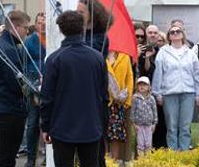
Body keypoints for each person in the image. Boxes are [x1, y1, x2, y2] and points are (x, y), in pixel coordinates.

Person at [41, 10, 108, 167]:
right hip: (91, 126)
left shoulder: (54, 59)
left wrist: (45, 126)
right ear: (83, 28)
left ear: (61, 30)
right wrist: (103, 126)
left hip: (61, 126)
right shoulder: (97, 58)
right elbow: (104, 95)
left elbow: (47, 97)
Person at [0, 10, 32, 167]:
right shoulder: (9, 49)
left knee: (5, 154)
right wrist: (31, 89)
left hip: (2, 105)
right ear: (15, 27)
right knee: (7, 156)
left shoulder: (2, 45)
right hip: (10, 107)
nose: (27, 32)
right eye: (26, 28)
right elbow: (16, 83)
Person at [151, 24, 199, 150]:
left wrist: (198, 94)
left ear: (182, 34)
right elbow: (158, 73)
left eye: (178, 31)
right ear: (169, 36)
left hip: (188, 93)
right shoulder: (163, 52)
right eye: (172, 32)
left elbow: (197, 74)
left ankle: (184, 154)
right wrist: (157, 93)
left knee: (185, 126)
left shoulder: (190, 52)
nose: (175, 33)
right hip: (169, 93)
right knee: (172, 126)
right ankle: (173, 155)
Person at [22, 13, 45, 167]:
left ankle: (49, 157)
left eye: (44, 22)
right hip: (33, 85)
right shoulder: (29, 41)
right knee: (32, 123)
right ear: (35, 24)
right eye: (39, 22)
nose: (42, 25)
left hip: (51, 84)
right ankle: (31, 158)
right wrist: (31, 84)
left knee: (50, 122)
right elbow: (23, 65)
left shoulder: (55, 39)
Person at [106, 49, 133, 162]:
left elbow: (129, 77)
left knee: (116, 135)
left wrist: (127, 100)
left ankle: (113, 162)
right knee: (101, 134)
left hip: (118, 103)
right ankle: (104, 161)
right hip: (102, 100)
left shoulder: (124, 56)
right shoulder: (100, 54)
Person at [131, 76, 157, 157]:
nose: (142, 86)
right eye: (140, 84)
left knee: (148, 143)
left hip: (149, 125)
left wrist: (154, 124)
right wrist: (134, 124)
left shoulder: (151, 98)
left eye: (144, 85)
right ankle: (141, 160)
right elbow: (133, 112)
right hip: (139, 125)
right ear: (137, 87)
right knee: (140, 143)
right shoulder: (135, 98)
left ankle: (148, 160)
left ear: (149, 87)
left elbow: (154, 111)